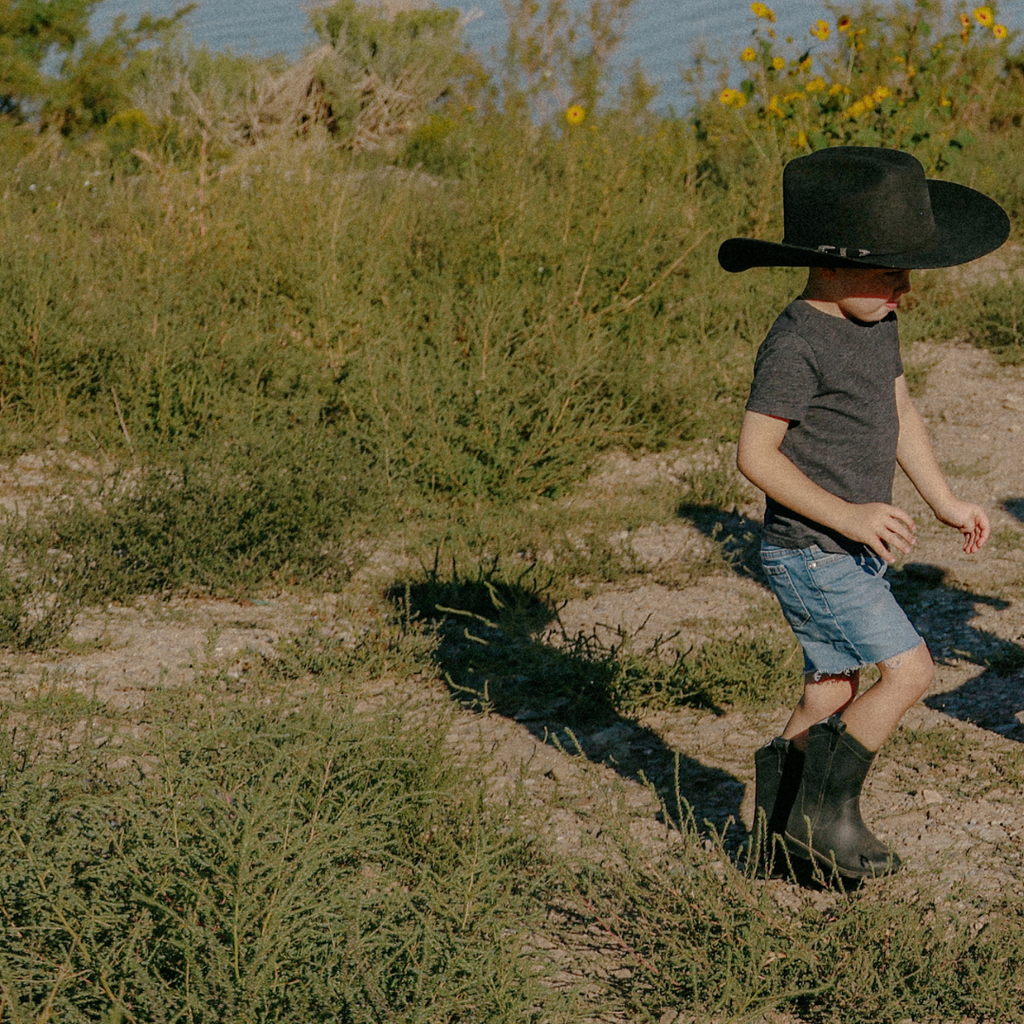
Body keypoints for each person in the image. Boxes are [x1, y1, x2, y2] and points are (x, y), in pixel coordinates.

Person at [718, 146, 1010, 880]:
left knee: (831, 689)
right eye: (891, 271)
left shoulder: (877, 322)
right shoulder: (795, 343)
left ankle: (772, 835)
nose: (906, 287)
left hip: (845, 549)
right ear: (830, 266)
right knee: (910, 671)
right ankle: (824, 817)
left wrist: (944, 501)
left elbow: (898, 410)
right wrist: (849, 517)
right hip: (811, 550)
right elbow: (756, 456)